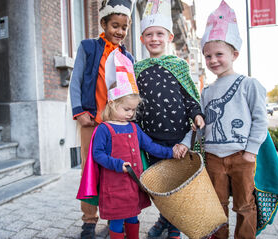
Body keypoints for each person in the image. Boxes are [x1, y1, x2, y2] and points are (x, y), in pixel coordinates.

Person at [90, 49, 182, 238]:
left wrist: (170, 152)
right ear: (112, 104)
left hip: (133, 184)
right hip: (114, 185)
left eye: (133, 110)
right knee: (116, 219)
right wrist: (117, 164)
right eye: (126, 109)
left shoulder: (134, 128)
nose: (131, 114)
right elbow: (97, 154)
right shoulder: (104, 129)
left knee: (132, 216)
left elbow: (150, 146)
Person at [134, 0, 205, 238]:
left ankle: (174, 227)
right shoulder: (138, 69)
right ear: (142, 39)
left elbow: (189, 97)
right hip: (151, 140)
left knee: (178, 187)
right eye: (149, 34)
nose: (154, 38)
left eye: (159, 34)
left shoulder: (179, 66)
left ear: (170, 37)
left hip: (177, 139)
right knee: (160, 186)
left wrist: (196, 114)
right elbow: (134, 103)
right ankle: (165, 218)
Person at [199, 1, 268, 238]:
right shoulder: (206, 91)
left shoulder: (248, 84)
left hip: (241, 156)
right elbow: (202, 124)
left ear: (234, 54)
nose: (213, 60)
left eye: (219, 54)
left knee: (244, 204)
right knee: (216, 206)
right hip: (213, 157)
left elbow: (260, 119)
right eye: (208, 56)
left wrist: (251, 151)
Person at [69, 1, 135, 238]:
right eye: (115, 25)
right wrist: (79, 111)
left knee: (115, 171)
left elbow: (130, 92)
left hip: (116, 125)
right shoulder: (88, 47)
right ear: (104, 24)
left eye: (124, 27)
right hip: (92, 121)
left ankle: (115, 218)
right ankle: (88, 221)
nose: (119, 31)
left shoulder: (128, 56)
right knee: (90, 170)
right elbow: (76, 80)